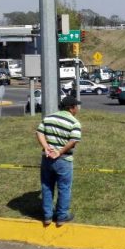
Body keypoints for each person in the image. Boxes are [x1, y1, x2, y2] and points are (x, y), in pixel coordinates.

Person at [36, 95, 82, 227]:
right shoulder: (74, 122)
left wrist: (45, 146)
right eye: (76, 106)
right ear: (71, 108)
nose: (77, 108)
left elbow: (39, 132)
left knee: (46, 186)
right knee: (64, 188)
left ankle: (47, 216)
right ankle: (61, 216)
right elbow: (73, 140)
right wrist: (60, 152)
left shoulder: (48, 118)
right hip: (64, 160)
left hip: (47, 159)